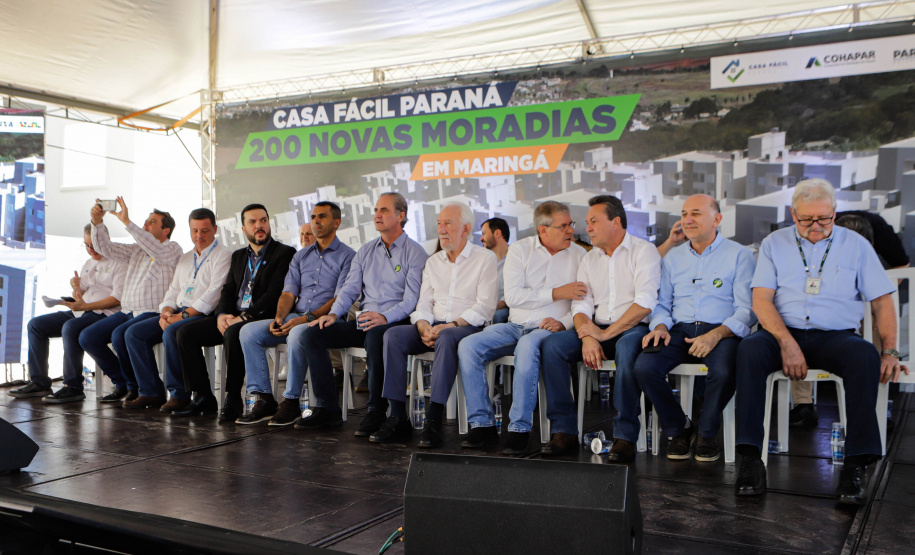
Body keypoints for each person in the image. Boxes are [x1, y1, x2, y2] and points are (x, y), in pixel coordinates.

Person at [734, 178, 908, 505]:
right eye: (806, 220)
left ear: (834, 212)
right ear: (792, 213)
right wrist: (786, 343)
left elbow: (883, 301)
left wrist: (889, 350)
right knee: (749, 351)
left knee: (864, 356)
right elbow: (761, 301)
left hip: (835, 337)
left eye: (824, 219)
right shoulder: (775, 243)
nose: (816, 226)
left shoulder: (856, 245)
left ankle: (855, 466)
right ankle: (750, 460)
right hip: (781, 333)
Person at [458, 201, 586, 455]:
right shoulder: (520, 250)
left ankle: (519, 429)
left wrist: (565, 322)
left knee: (527, 347)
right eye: (564, 226)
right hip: (515, 325)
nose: (571, 230)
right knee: (468, 345)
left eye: (571, 224)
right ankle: (482, 424)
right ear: (543, 230)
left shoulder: (580, 255)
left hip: (550, 329)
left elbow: (583, 300)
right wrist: (557, 292)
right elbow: (514, 296)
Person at [633, 195, 756, 462]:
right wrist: (661, 326)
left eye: (696, 213)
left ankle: (707, 433)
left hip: (722, 331)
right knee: (645, 367)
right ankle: (680, 428)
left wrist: (717, 334)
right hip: (679, 330)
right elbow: (661, 304)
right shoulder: (672, 258)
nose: (687, 219)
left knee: (723, 372)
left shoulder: (740, 255)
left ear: (717, 219)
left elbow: (747, 309)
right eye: (684, 213)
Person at [538, 195, 661, 458]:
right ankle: (565, 431)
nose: (587, 228)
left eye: (594, 221)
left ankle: (625, 436)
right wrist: (588, 337)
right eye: (587, 222)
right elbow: (580, 306)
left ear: (616, 222)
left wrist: (603, 334)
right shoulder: (589, 258)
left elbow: (645, 303)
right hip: (596, 329)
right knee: (553, 346)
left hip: (631, 327)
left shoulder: (643, 250)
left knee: (628, 348)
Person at [296, 192, 427, 436]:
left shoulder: (415, 252)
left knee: (376, 335)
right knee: (312, 334)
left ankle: (376, 410)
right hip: (365, 322)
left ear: (401, 216)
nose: (377, 214)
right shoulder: (366, 251)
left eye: (384, 210)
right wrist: (334, 315)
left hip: (396, 323)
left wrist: (385, 317)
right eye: (376, 210)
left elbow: (412, 299)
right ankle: (327, 408)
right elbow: (349, 289)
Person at [371, 203, 497, 446]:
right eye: (439, 223)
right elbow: (424, 303)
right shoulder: (434, 261)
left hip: (467, 327)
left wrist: (449, 326)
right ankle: (398, 417)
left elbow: (485, 307)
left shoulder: (484, 259)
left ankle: (433, 419)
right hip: (434, 325)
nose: (441, 229)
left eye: (448, 223)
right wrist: (423, 326)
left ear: (466, 228)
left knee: (448, 338)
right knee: (392, 336)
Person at [236, 202, 354, 425]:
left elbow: (340, 299)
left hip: (326, 320)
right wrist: (279, 318)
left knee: (299, 332)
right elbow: (288, 292)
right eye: (313, 217)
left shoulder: (349, 256)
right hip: (295, 317)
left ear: (336, 223)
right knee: (248, 332)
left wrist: (307, 318)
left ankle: (291, 400)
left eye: (322, 217)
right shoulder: (300, 257)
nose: (316, 221)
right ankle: (264, 398)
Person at [173, 204, 295, 419]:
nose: (259, 226)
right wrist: (221, 315)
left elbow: (275, 293)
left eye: (263, 221)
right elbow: (228, 290)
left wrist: (244, 317)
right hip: (233, 316)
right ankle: (203, 396)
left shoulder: (285, 253)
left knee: (233, 332)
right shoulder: (239, 256)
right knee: (185, 333)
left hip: (261, 317)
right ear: (243, 228)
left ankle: (233, 398)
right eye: (253, 222)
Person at [790, 211, 909, 427]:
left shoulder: (882, 233)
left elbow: (901, 266)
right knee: (801, 321)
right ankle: (803, 404)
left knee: (877, 316)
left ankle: (875, 405)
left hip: (868, 287)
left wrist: (876, 296)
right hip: (822, 289)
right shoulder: (814, 229)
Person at [121, 209, 231, 411]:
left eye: (205, 230)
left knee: (174, 332)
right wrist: (166, 312)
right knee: (133, 334)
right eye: (195, 230)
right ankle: (151, 392)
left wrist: (182, 315)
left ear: (215, 229)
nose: (199, 236)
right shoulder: (186, 257)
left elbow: (213, 294)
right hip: (178, 312)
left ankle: (179, 395)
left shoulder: (223, 255)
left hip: (203, 314)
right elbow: (173, 289)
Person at [82, 197, 183, 404]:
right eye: (146, 220)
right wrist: (97, 222)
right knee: (88, 337)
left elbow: (156, 249)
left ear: (166, 230)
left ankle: (150, 392)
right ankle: (126, 384)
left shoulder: (172, 248)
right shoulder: (136, 249)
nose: (145, 223)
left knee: (122, 334)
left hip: (154, 312)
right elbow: (105, 248)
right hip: (128, 311)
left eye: (152, 222)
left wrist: (127, 222)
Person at [10, 225, 127, 403]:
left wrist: (86, 305)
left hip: (104, 313)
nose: (90, 250)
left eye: (94, 245)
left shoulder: (120, 262)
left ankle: (73, 386)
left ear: (105, 241)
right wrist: (76, 289)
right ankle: (39, 382)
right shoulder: (89, 264)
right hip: (82, 311)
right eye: (87, 245)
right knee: (36, 325)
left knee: (70, 328)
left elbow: (117, 299)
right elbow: (80, 295)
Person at [481, 217, 510, 324]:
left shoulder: (517, 257)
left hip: (504, 309)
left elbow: (512, 294)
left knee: (497, 316)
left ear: (497, 233)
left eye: (484, 233)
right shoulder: (483, 260)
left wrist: (490, 308)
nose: (481, 238)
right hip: (483, 308)